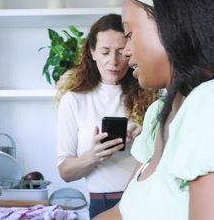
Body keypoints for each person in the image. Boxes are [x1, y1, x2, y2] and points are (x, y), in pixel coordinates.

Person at [95, 0, 214, 219]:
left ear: (174, 25)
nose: (125, 51)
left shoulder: (213, 102)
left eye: (129, 34)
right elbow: (121, 214)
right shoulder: (157, 116)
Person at [56, 14, 157, 219]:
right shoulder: (74, 100)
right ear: (92, 52)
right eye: (105, 52)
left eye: (121, 52)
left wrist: (146, 137)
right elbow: (65, 172)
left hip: (145, 199)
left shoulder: (151, 93)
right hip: (101, 203)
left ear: (130, 51)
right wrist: (93, 156)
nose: (113, 61)